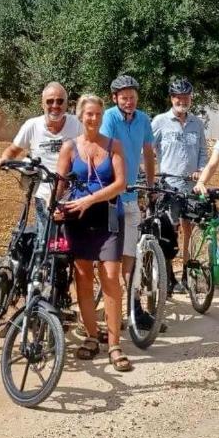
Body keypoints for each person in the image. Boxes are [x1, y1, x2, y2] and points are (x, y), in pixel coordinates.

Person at [55, 94, 132, 371]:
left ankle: (114, 344)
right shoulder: (69, 148)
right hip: (77, 219)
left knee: (111, 278)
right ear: (80, 116)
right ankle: (90, 335)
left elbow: (121, 184)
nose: (94, 118)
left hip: (108, 218)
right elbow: (60, 184)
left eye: (98, 114)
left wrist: (90, 199)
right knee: (83, 277)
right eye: (89, 114)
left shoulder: (114, 145)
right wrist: (56, 205)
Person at [100, 75, 157, 329]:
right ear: (115, 98)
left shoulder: (144, 119)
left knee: (130, 253)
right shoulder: (109, 117)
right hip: (112, 196)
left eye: (132, 97)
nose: (129, 101)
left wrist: (151, 184)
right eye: (124, 97)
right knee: (108, 254)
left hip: (133, 194)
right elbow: (107, 151)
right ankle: (110, 309)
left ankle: (133, 306)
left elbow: (148, 152)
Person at [0, 82, 82, 239]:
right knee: (45, 240)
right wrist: (4, 160)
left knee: (73, 242)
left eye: (60, 101)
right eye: (50, 101)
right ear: (42, 104)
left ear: (67, 104)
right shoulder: (32, 125)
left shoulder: (77, 125)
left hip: (73, 193)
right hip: (44, 192)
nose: (55, 105)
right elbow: (13, 150)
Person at [152, 78, 208, 292]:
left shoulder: (197, 123)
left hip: (191, 185)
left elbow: (203, 152)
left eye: (186, 97)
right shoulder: (159, 121)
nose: (182, 100)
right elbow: (147, 148)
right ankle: (168, 277)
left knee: (189, 230)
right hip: (169, 184)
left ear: (190, 98)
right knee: (170, 231)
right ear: (171, 98)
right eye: (178, 97)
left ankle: (186, 273)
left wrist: (201, 171)